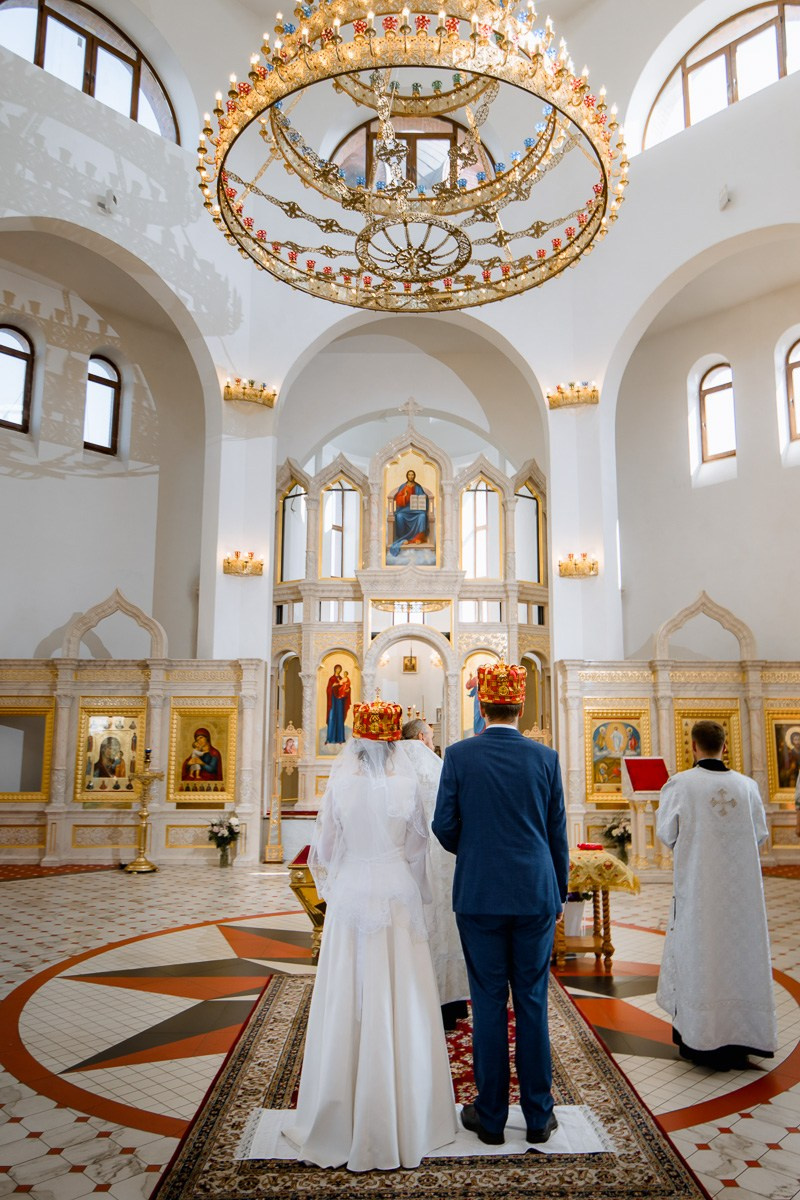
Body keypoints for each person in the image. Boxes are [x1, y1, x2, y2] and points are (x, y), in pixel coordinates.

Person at [283, 698, 458, 1172]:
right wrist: (415, 891)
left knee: (348, 993)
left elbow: (325, 850)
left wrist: (342, 884)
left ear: (356, 742)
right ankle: (409, 1113)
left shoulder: (340, 785)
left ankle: (340, 1110)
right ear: (392, 743)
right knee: (402, 993)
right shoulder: (406, 784)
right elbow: (421, 848)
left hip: (354, 893)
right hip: (397, 892)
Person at [432, 662, 569, 1147]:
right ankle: (538, 1115)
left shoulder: (460, 756)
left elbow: (443, 824)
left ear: (482, 706)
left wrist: (474, 850)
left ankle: (489, 1117)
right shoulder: (546, 758)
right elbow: (557, 833)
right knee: (531, 999)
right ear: (521, 705)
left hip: (480, 893)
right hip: (535, 892)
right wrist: (558, 892)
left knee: (487, 1001)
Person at [656, 719, 777, 1071]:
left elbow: (667, 832)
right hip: (742, 900)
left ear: (693, 746)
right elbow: (758, 835)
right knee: (740, 959)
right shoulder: (748, 786)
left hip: (699, 893)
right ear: (725, 747)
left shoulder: (680, 784)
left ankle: (701, 1039)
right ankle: (743, 1039)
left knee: (700, 956)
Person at [401, 716, 469, 1030]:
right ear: (419, 737)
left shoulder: (392, 767)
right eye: (429, 738)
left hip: (403, 860)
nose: (432, 744)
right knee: (442, 926)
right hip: (440, 857)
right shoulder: (435, 765)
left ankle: (407, 999)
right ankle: (447, 1005)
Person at [389, 469, 428, 555]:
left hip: (416, 509)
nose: (411, 476)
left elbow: (423, 498)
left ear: (414, 476)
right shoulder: (403, 486)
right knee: (399, 516)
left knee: (422, 515)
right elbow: (398, 500)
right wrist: (405, 496)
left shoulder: (418, 487)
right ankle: (403, 538)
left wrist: (423, 498)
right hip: (405, 509)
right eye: (409, 475)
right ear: (407, 476)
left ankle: (418, 538)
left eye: (412, 475)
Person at [324, 663, 350, 745]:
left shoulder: (342, 678)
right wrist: (332, 686)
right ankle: (330, 739)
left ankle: (340, 739)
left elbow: (346, 687)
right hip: (333, 701)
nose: (338, 670)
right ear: (335, 669)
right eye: (337, 668)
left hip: (340, 701)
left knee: (339, 717)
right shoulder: (331, 679)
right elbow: (328, 689)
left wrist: (348, 690)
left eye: (339, 669)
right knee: (332, 717)